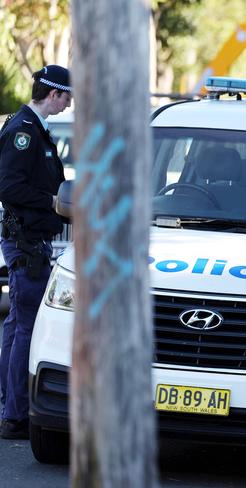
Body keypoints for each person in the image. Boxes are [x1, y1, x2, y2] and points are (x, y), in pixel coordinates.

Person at [0, 65, 70, 439]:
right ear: (55, 94)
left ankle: (10, 404)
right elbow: (8, 186)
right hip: (26, 241)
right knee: (27, 326)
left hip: (28, 239)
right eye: (67, 96)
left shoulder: (31, 128)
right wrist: (52, 200)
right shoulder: (24, 131)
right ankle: (16, 416)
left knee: (15, 324)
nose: (68, 103)